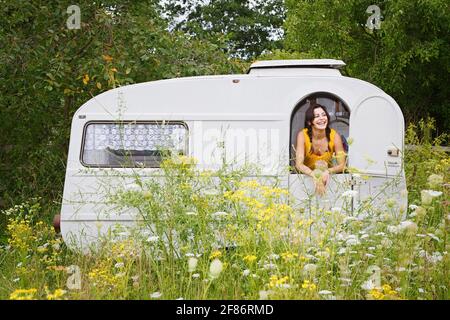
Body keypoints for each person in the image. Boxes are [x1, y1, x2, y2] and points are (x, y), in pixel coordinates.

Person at [295, 103, 346, 195]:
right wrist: (314, 175)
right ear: (310, 122)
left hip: (327, 180)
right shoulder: (302, 135)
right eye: (317, 116)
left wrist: (328, 171)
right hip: (305, 180)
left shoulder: (335, 136)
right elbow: (299, 165)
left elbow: (342, 165)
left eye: (324, 115)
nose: (322, 118)